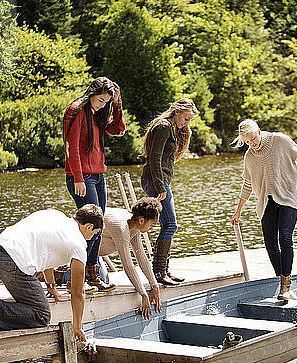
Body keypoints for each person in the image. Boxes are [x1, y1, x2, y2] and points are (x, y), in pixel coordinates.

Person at [0, 204, 104, 341]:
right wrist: (77, 326)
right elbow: (78, 292)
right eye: (94, 233)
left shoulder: (55, 215)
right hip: (13, 261)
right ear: (89, 226)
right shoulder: (78, 244)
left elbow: (44, 247)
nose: (91, 237)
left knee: (32, 301)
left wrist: (51, 285)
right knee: (41, 314)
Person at [230, 119, 297, 301]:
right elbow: (247, 184)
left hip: (288, 195)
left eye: (253, 139)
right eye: (247, 142)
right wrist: (238, 211)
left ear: (258, 131)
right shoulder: (249, 157)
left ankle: (286, 285)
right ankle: (282, 277)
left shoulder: (279, 140)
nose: (251, 144)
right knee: (270, 242)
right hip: (266, 201)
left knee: (285, 236)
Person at [63, 77, 125, 292]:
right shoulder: (77, 110)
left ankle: (91, 275)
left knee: (97, 227)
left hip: (98, 175)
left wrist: (116, 104)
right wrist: (78, 177)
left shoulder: (97, 113)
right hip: (82, 177)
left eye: (105, 101)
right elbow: (72, 147)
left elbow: (118, 129)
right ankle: (74, 279)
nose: (101, 105)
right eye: (100, 100)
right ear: (91, 93)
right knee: (89, 227)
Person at [140, 98, 198, 286]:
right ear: (177, 111)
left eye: (189, 120)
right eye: (186, 118)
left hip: (158, 181)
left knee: (167, 224)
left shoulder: (171, 129)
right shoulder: (164, 126)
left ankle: (162, 269)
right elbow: (154, 158)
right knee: (170, 224)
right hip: (155, 181)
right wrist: (160, 185)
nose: (186, 123)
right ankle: (158, 271)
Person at [99, 197, 163, 319]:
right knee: (102, 280)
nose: (152, 228)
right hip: (83, 253)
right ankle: (65, 271)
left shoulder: (135, 224)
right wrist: (143, 294)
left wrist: (154, 285)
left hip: (96, 255)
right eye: (152, 225)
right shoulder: (122, 228)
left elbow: (140, 255)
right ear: (141, 220)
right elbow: (128, 265)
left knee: (104, 279)